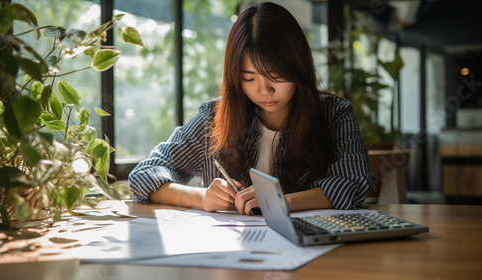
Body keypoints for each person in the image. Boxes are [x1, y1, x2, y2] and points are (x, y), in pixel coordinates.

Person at [129, 2, 371, 215]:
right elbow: (144, 175)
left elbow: (352, 184)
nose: (265, 90)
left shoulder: (333, 114)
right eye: (249, 78)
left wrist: (279, 203)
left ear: (298, 67)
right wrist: (201, 197)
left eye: (276, 75)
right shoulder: (215, 117)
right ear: (236, 78)